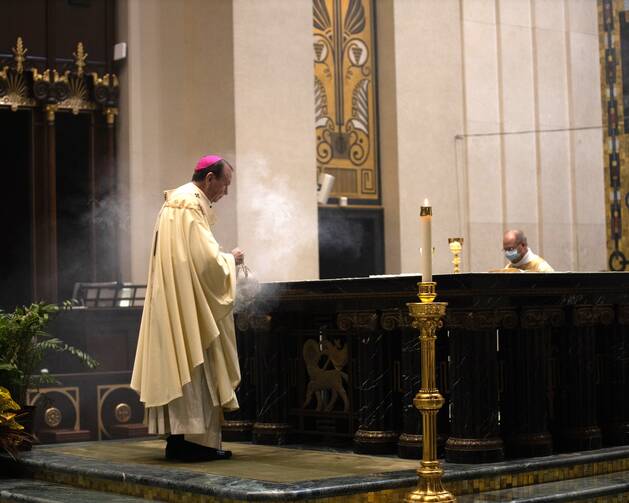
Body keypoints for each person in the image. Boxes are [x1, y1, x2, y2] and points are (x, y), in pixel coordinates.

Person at [131, 154, 244, 462]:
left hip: (177, 298)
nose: (226, 192)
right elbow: (205, 261)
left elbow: (189, 257)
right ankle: (193, 442)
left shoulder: (178, 201)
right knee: (194, 363)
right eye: (225, 183)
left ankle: (180, 441)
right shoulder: (188, 204)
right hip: (188, 304)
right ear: (210, 179)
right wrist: (230, 259)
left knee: (181, 362)